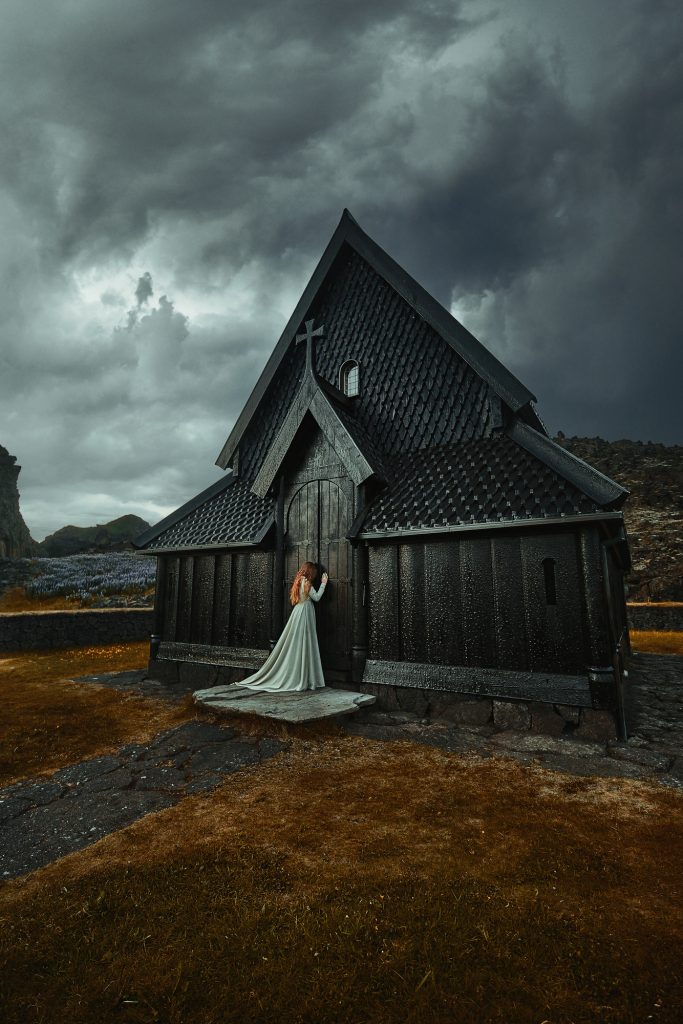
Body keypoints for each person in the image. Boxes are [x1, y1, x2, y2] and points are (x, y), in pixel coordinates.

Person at [238, 561, 329, 692]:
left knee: (298, 643)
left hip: (298, 611)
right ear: (311, 572)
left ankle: (300, 675)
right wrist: (324, 583)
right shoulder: (307, 582)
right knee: (306, 643)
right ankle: (305, 678)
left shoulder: (298, 581)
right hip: (305, 613)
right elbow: (317, 597)